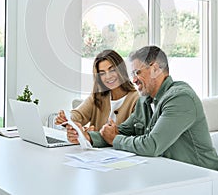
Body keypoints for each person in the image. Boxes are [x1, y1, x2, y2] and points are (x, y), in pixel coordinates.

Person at [67, 45, 218, 171]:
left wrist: (114, 138)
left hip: (202, 176)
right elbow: (121, 131)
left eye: (137, 72)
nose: (133, 79)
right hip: (168, 172)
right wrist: (88, 137)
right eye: (132, 73)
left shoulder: (180, 98)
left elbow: (152, 145)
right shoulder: (145, 100)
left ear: (155, 69)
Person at [55, 49, 139, 131]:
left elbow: (129, 134)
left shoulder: (137, 99)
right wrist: (66, 117)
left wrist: (91, 135)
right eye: (102, 73)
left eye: (112, 70)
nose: (108, 76)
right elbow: (79, 114)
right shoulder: (98, 96)